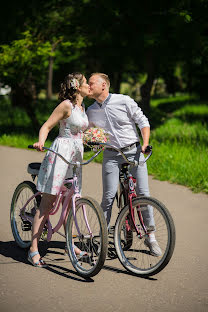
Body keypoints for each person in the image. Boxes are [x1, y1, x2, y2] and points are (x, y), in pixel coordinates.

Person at [86, 72, 162, 257]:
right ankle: (103, 238)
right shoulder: (90, 111)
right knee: (109, 197)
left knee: (143, 193)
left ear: (104, 85)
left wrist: (144, 143)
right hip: (111, 155)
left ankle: (151, 237)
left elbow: (143, 121)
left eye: (91, 83)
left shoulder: (124, 101)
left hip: (133, 151)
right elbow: (89, 134)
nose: (88, 86)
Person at [28, 72, 89, 267]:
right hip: (61, 153)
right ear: (77, 86)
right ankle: (33, 250)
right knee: (48, 202)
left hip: (76, 156)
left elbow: (80, 131)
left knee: (70, 201)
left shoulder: (82, 106)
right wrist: (41, 141)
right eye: (86, 82)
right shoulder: (66, 105)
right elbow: (46, 126)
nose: (89, 85)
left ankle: (69, 243)